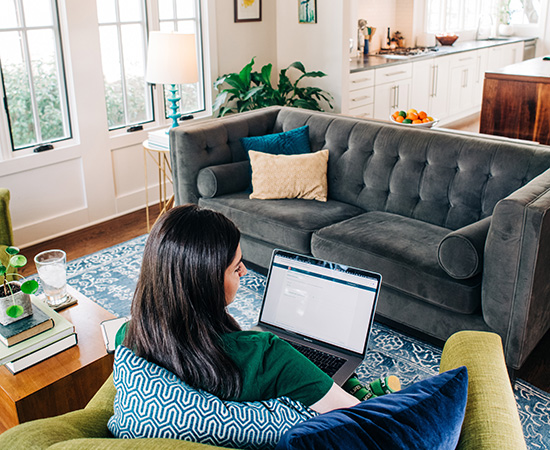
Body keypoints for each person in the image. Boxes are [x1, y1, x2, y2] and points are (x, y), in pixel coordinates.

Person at [119, 204, 397, 414]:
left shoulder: (129, 337)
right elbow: (359, 416)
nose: (244, 270)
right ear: (205, 283)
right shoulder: (266, 354)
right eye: (235, 266)